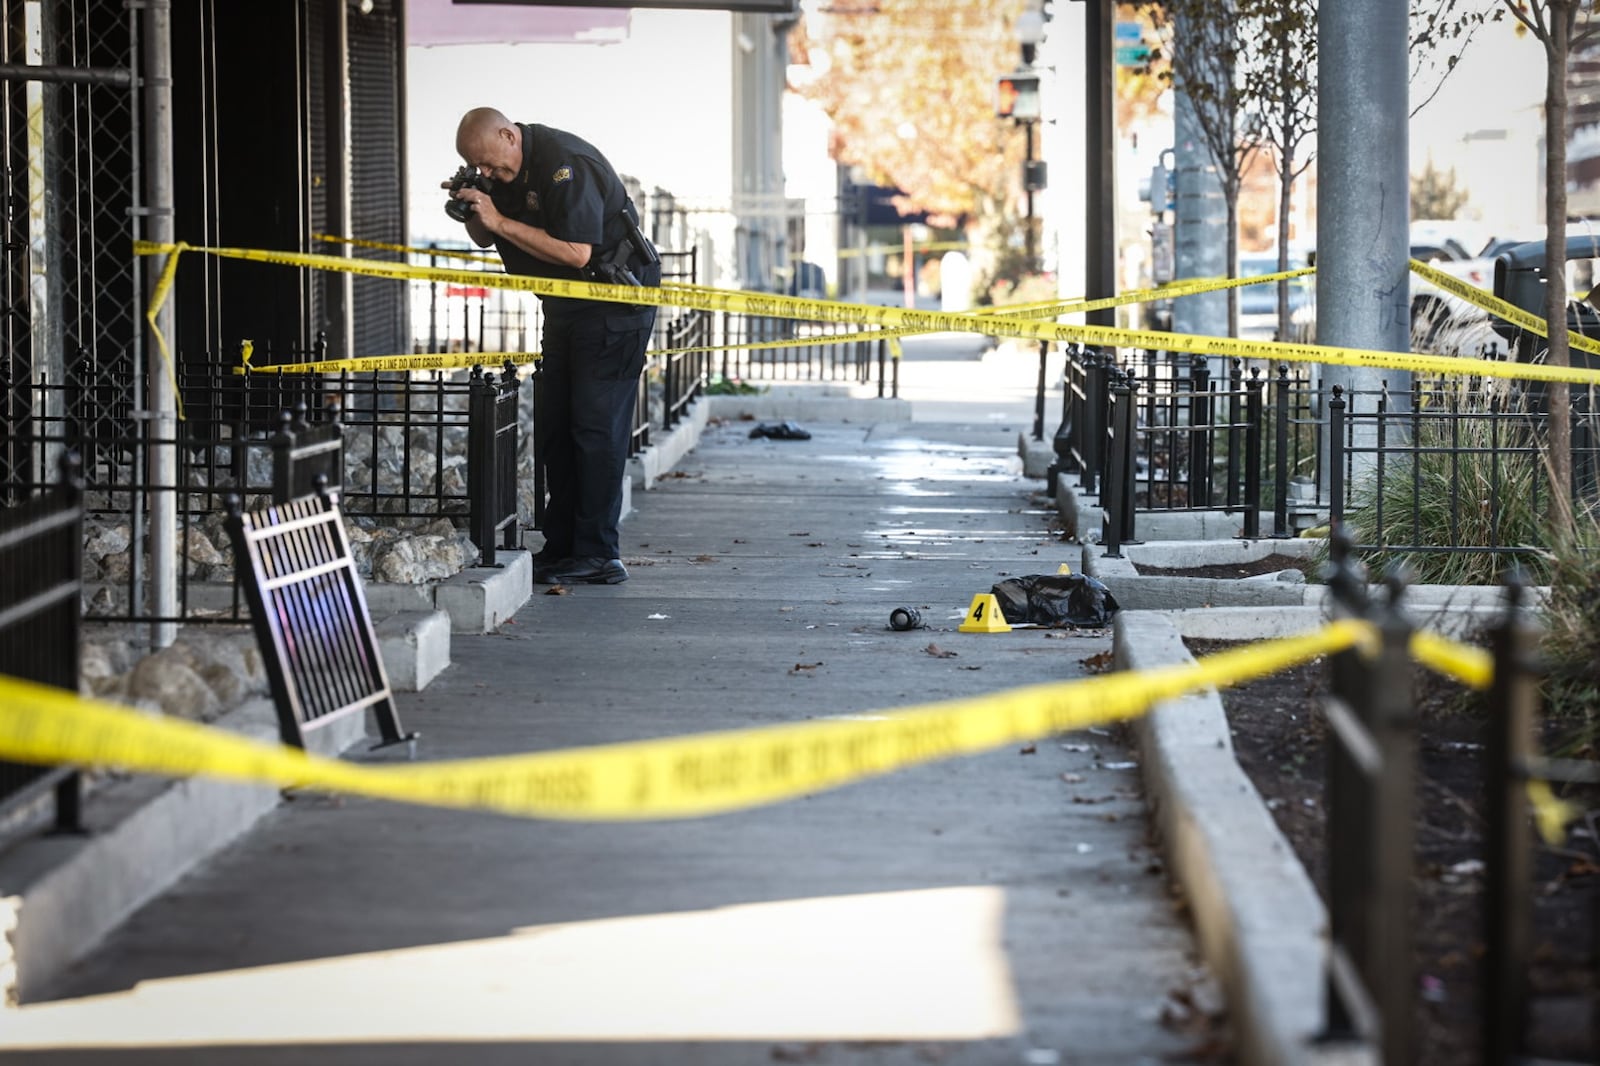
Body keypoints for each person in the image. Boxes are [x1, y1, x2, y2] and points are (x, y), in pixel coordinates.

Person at [445, 107, 659, 586]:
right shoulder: (501, 170)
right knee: (557, 429)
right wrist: (474, 207)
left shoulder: (566, 163)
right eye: (479, 169)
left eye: (492, 166)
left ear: (508, 135)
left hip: (613, 304)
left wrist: (497, 220)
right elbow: (486, 236)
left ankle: (600, 554)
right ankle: (563, 547)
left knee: (595, 427)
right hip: (565, 306)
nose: (489, 174)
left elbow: (576, 251)